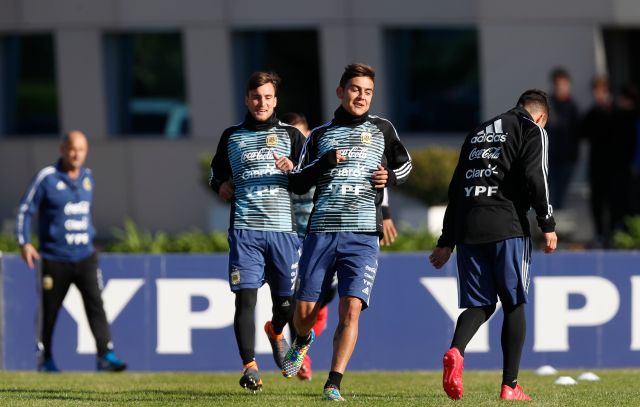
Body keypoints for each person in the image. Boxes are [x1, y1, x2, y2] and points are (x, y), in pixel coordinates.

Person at [281, 63, 412, 401]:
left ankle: (333, 382)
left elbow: (404, 164)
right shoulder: (321, 135)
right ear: (340, 92)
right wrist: (324, 162)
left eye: (367, 91)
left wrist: (390, 180)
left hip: (363, 235)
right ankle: (301, 340)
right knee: (305, 314)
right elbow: (296, 182)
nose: (361, 96)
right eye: (355, 89)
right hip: (322, 231)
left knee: (351, 308)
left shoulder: (383, 129)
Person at [429, 89, 557, 401]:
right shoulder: (532, 130)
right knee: (514, 302)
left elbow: (456, 188)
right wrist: (547, 223)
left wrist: (446, 241)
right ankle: (510, 385)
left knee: (481, 303)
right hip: (506, 224)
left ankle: (456, 351)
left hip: (469, 227)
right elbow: (535, 175)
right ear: (541, 117)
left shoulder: (477, 133)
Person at [209, 72, 306, 392]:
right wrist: (220, 186)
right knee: (245, 299)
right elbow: (216, 175)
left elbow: (310, 177)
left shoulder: (292, 136)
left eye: (267, 97)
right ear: (246, 99)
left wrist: (295, 171)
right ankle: (249, 367)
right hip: (245, 231)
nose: (261, 103)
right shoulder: (232, 137)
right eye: (255, 97)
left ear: (275, 100)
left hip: (283, 232)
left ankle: (276, 331)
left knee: (285, 307)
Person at [15, 130, 127, 373]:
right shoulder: (47, 178)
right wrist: (24, 242)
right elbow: (25, 209)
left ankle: (105, 355)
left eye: (81, 149)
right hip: (54, 258)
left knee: (96, 304)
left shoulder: (88, 177)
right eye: (72, 149)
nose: (76, 154)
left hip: (85, 256)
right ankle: (45, 360)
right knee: (49, 311)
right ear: (63, 149)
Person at [581, 77, 615, 247]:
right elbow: (582, 133)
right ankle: (600, 235)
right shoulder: (592, 113)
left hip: (615, 169)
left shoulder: (615, 112)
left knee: (614, 203)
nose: (598, 95)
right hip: (596, 167)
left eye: (601, 91)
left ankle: (614, 235)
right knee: (597, 204)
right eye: (596, 91)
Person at [546, 67, 580, 210]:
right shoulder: (547, 105)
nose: (561, 88)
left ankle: (558, 227)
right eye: (558, 84)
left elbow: (578, 132)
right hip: (550, 158)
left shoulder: (573, 107)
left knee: (563, 196)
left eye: (564, 84)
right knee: (549, 195)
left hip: (568, 159)